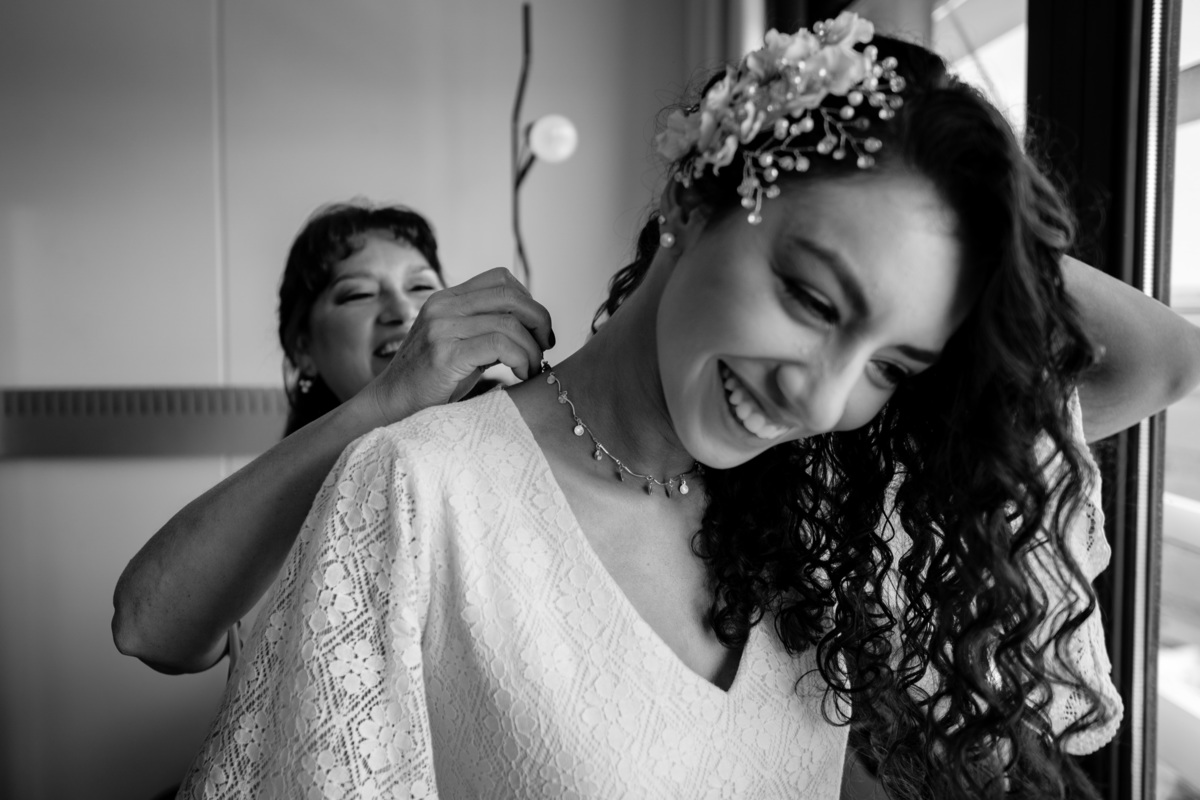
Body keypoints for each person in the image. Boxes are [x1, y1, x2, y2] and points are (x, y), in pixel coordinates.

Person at [173, 17, 1200, 799]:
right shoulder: (420, 488)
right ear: (690, 198)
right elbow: (159, 628)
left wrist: (962, 208)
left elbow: (1161, 362)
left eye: (892, 362)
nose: (820, 395)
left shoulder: (837, 504)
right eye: (812, 299)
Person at [111, 201, 554, 675]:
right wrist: (387, 400)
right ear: (303, 347)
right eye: (358, 293)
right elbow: (144, 628)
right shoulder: (274, 516)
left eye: (421, 288)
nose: (402, 310)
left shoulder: (520, 438)